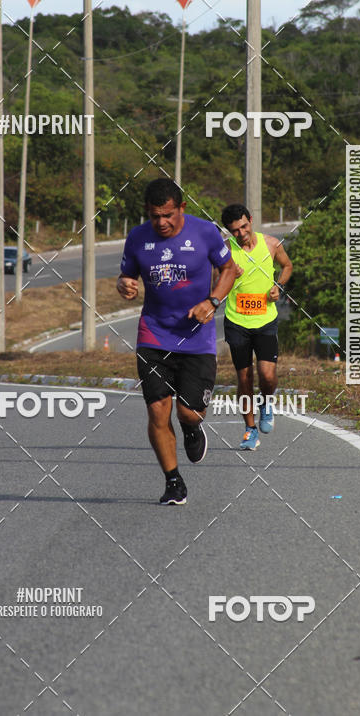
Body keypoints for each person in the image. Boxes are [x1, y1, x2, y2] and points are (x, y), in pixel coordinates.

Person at [117, 178, 237, 505]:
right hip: (153, 334)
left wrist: (212, 301)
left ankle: (192, 428)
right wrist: (124, 285)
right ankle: (173, 482)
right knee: (158, 412)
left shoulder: (205, 232)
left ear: (181, 208)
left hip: (197, 338)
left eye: (168, 215)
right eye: (155, 216)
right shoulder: (137, 237)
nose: (161, 222)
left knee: (189, 413)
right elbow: (127, 277)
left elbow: (229, 269)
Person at [220, 204, 293, 450]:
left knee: (267, 375)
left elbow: (287, 266)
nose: (241, 234)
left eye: (244, 227)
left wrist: (278, 286)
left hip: (265, 321)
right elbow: (216, 283)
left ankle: (267, 401)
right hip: (237, 322)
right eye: (235, 231)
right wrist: (229, 274)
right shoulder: (225, 251)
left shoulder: (271, 244)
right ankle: (250, 430)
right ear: (229, 232)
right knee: (244, 378)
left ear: (250, 220)